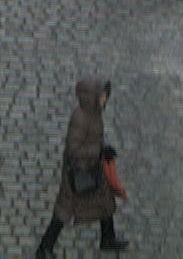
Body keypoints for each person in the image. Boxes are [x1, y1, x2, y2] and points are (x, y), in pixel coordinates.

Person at [35, 79, 128, 255]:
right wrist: (100, 150)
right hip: (78, 172)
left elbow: (93, 139)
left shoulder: (94, 112)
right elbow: (73, 148)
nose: (105, 99)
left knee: (106, 202)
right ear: (92, 97)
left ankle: (108, 238)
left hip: (93, 167)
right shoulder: (81, 117)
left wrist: (103, 149)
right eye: (102, 95)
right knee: (64, 210)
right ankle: (44, 248)